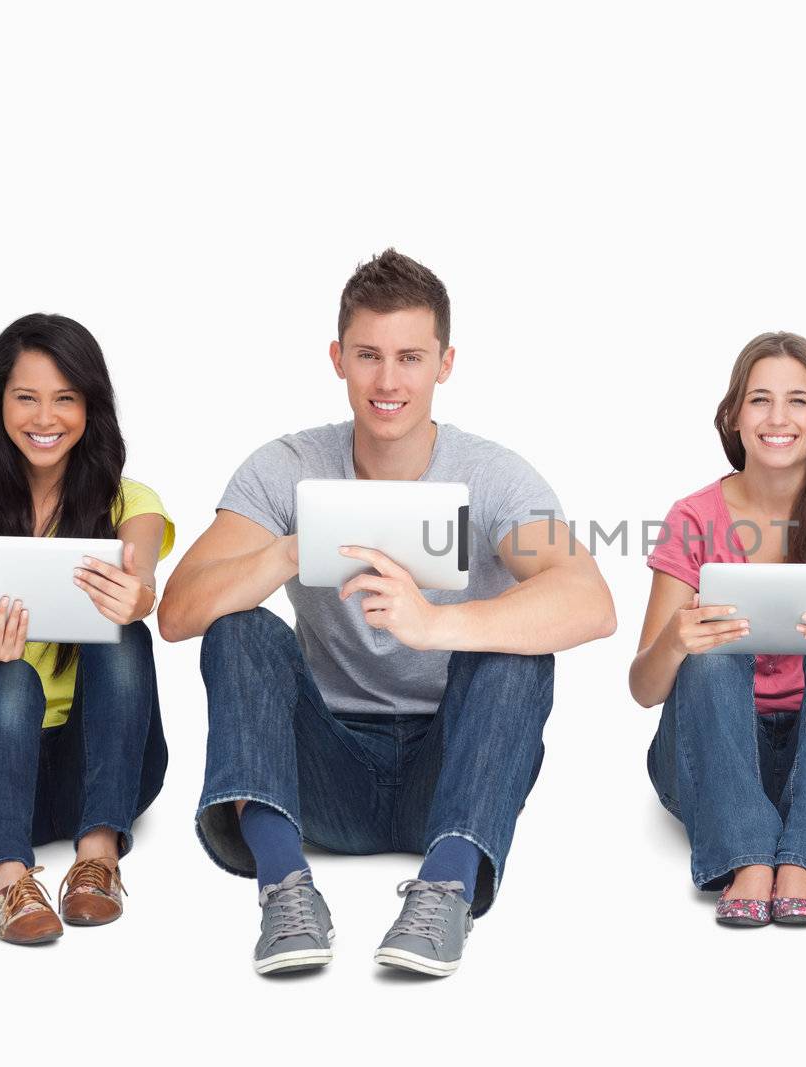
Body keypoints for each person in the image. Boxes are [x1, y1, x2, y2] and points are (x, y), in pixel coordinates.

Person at [158, 249, 615, 977]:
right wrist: (288, 551)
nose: (388, 380)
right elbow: (178, 612)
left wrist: (436, 624)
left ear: (445, 362)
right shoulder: (284, 467)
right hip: (325, 771)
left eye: (410, 356)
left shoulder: (494, 475)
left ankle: (448, 886)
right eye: (368, 355)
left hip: (455, 769)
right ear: (338, 358)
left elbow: (591, 601)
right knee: (240, 625)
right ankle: (283, 886)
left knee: (519, 646)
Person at [629, 331, 806, 927]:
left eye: (797, 401)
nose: (778, 418)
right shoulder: (693, 517)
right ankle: (747, 856)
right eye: (760, 400)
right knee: (710, 656)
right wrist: (675, 641)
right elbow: (644, 688)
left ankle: (805, 859)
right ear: (735, 417)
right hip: (711, 767)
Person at [0, 313, 172, 945]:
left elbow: (139, 571)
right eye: (26, 397)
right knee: (12, 676)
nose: (45, 418)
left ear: (91, 409)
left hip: (102, 769)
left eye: (66, 399)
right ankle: (4, 880)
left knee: (126, 638)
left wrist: (136, 594)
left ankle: (97, 859)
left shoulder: (127, 501)